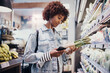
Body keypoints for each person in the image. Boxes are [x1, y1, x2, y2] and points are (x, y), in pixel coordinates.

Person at [23, 1, 79, 73]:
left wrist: (67, 53)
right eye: (59, 18)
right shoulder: (36, 34)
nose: (59, 22)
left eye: (61, 20)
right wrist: (49, 55)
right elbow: (27, 57)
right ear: (51, 14)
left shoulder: (58, 35)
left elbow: (60, 59)